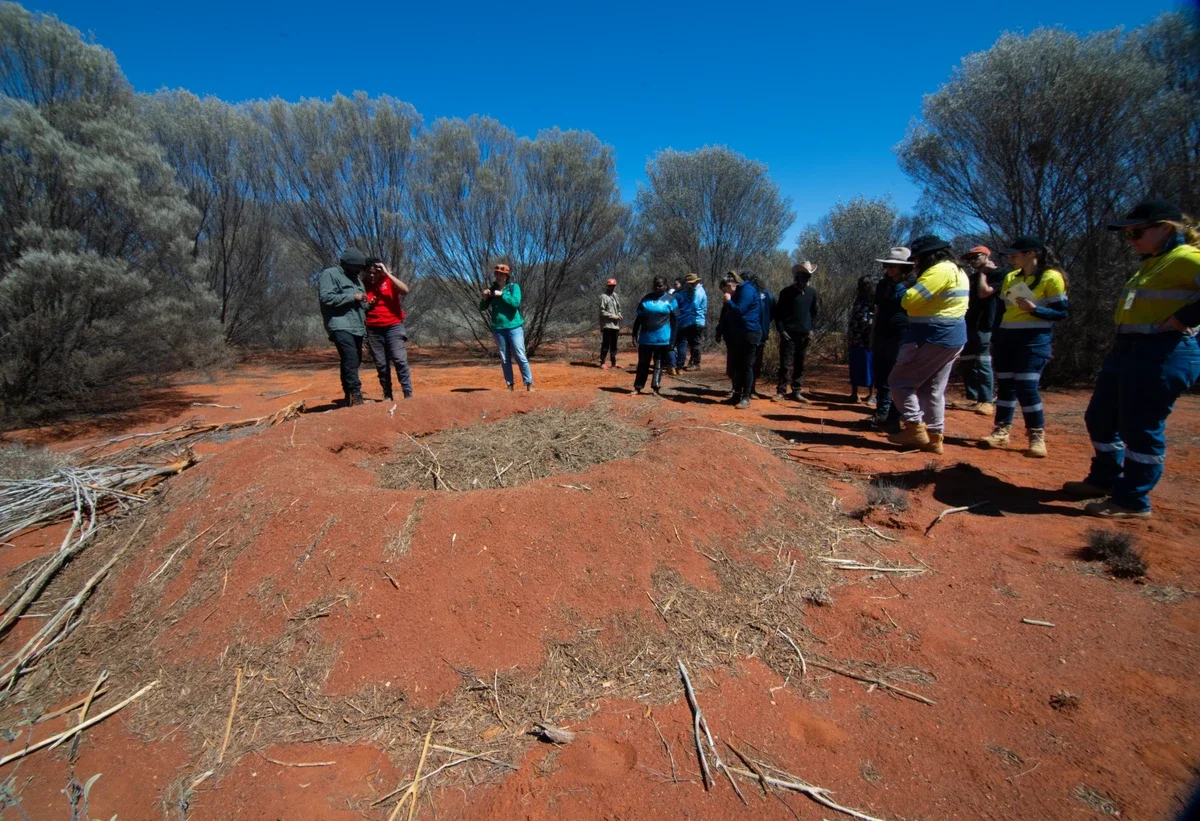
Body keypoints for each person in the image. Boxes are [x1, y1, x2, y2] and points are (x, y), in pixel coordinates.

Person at [1063, 199, 1200, 518]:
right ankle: (1105, 479)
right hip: (1128, 350)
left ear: (1165, 228)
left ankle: (1133, 500)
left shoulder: (1186, 258)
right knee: (1100, 418)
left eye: (1136, 232)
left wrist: (1185, 317)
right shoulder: (1153, 261)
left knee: (1140, 427)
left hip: (1163, 351)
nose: (1131, 240)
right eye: (1127, 235)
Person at [978, 237, 1069, 458]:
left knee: (1027, 388)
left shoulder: (1052, 277)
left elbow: (1062, 312)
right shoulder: (1011, 277)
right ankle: (1001, 432)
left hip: (1034, 339)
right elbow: (1002, 310)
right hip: (1006, 338)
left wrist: (1035, 310)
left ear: (1031, 254)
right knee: (1006, 386)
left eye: (1014, 255)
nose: (1010, 258)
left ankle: (1036, 435)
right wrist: (995, 338)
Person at [886, 235, 970, 453]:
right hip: (953, 336)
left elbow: (909, 301)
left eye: (918, 258)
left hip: (930, 335)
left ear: (928, 256)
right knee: (932, 389)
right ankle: (934, 436)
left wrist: (905, 286)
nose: (915, 263)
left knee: (899, 382)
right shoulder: (958, 271)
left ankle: (914, 427)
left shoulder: (938, 271)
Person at [860, 247, 914, 429]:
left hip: (902, 334)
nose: (888, 269)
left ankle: (895, 416)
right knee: (882, 374)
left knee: (896, 374)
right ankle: (881, 413)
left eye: (893, 266)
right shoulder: (883, 285)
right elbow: (878, 310)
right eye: (887, 265)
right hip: (882, 332)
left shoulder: (913, 284)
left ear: (904, 268)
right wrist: (872, 333)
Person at [953, 245, 1006, 414]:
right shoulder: (972, 277)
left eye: (976, 257)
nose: (972, 261)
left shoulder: (999, 274)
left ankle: (986, 400)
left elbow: (984, 293)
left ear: (986, 256)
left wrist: (984, 273)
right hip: (969, 324)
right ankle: (974, 398)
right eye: (970, 259)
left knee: (983, 361)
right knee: (967, 360)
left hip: (986, 325)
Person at [318, 248, 370, 407]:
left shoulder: (357, 281)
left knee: (354, 360)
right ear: (347, 264)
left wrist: (368, 304)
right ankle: (355, 394)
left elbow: (361, 304)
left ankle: (348, 393)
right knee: (350, 358)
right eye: (356, 267)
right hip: (340, 324)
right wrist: (352, 297)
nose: (359, 271)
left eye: (360, 268)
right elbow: (326, 297)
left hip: (357, 325)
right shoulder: (330, 274)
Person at [361, 257, 413, 401]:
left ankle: (408, 394)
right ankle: (387, 395)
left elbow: (405, 290)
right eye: (368, 273)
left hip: (393, 326)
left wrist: (387, 273)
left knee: (399, 360)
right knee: (381, 364)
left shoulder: (389, 281)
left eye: (374, 273)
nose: (372, 276)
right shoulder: (362, 285)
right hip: (373, 328)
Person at [479, 263, 534, 391]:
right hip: (498, 328)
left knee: (520, 354)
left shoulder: (514, 287)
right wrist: (485, 297)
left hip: (514, 326)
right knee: (504, 357)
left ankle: (529, 383)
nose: (497, 276)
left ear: (506, 276)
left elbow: (515, 303)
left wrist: (502, 295)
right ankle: (509, 384)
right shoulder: (492, 290)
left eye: (500, 274)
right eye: (496, 273)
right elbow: (482, 307)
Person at [774, 262, 820, 402]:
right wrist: (781, 330)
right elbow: (778, 314)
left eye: (808, 277)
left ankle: (796, 391)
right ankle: (781, 391)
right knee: (785, 364)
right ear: (797, 276)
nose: (806, 279)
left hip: (804, 334)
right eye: (804, 276)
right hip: (788, 334)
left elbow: (814, 313)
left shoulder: (812, 293)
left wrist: (811, 329)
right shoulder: (786, 292)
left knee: (800, 363)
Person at [722, 271, 762, 409]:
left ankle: (746, 397)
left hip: (749, 332)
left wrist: (729, 301)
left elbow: (740, 310)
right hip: (738, 333)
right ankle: (736, 395)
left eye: (728, 285)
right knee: (737, 366)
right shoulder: (739, 291)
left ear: (734, 283)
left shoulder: (747, 291)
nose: (727, 289)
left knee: (746, 366)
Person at [631, 277, 678, 395]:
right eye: (656, 285)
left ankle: (656, 387)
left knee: (659, 364)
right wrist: (634, 332)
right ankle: (638, 387)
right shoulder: (646, 299)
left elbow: (676, 321)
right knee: (642, 364)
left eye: (661, 285)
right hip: (646, 338)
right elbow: (639, 317)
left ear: (666, 286)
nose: (658, 288)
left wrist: (673, 340)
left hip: (663, 339)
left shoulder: (671, 300)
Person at [674, 273, 708, 372]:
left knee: (695, 343)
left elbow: (694, 306)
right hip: (694, 320)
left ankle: (696, 363)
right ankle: (693, 361)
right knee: (692, 342)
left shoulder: (698, 293)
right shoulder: (695, 291)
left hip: (697, 320)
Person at [750, 274, 776, 398]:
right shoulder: (769, 295)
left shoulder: (748, 294)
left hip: (750, 332)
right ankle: (751, 388)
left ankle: (746, 389)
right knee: (756, 361)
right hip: (762, 332)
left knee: (748, 361)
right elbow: (773, 314)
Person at [598, 277, 622, 369]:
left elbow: (619, 308)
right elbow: (602, 311)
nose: (611, 287)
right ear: (607, 286)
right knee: (606, 344)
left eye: (613, 286)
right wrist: (613, 316)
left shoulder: (615, 296)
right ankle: (602, 362)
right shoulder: (604, 297)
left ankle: (613, 362)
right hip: (607, 325)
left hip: (615, 325)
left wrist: (619, 315)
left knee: (614, 345)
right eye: (610, 286)